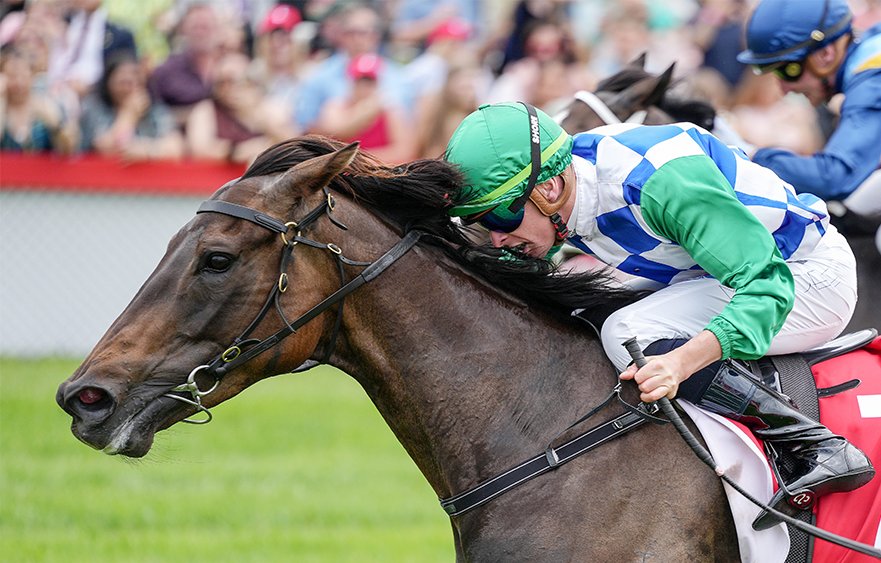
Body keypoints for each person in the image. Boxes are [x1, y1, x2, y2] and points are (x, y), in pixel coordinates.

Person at [443, 101, 874, 529]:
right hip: (714, 272)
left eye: (502, 215)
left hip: (805, 278)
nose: (498, 237)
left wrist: (680, 362)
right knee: (582, 308)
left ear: (550, 189)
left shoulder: (659, 183)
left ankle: (815, 444)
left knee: (626, 331)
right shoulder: (574, 181)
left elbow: (766, 286)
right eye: (483, 222)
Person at [737, 0, 881, 222]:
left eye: (788, 71)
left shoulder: (872, 80)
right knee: (854, 211)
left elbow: (833, 177)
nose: (784, 90)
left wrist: (750, 156)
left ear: (825, 54)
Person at [185, 51, 294, 164]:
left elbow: (291, 140)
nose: (227, 88)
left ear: (250, 81)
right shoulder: (207, 110)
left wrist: (256, 115)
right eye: (222, 82)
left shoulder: (265, 106)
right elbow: (199, 149)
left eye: (233, 80)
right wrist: (235, 151)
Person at [311, 52, 414, 164]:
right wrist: (366, 110)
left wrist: (362, 161)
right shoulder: (335, 106)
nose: (363, 88)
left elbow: (404, 150)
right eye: (359, 82)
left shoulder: (390, 111)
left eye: (369, 82)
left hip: (375, 170)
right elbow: (335, 131)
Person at [80, 53, 183, 161]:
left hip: (147, 175)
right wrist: (129, 114)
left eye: (135, 79)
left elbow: (175, 147)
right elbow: (104, 147)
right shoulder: (95, 107)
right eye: (123, 82)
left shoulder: (155, 109)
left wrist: (149, 150)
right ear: (108, 83)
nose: (129, 88)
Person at [0, 44, 77, 152]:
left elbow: (68, 150)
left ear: (32, 75)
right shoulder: (2, 106)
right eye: (12, 76)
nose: (19, 82)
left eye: (23, 76)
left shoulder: (46, 105)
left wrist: (55, 125)